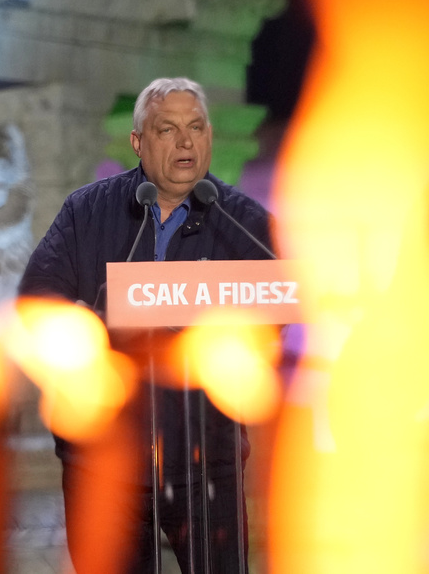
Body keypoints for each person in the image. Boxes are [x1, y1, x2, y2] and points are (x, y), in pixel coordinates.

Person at [19, 77, 274, 573]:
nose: (185, 142)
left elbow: (281, 307)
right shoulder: (86, 212)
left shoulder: (244, 222)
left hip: (206, 462)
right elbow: (38, 301)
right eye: (167, 129)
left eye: (196, 127)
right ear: (138, 142)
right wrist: (96, 331)